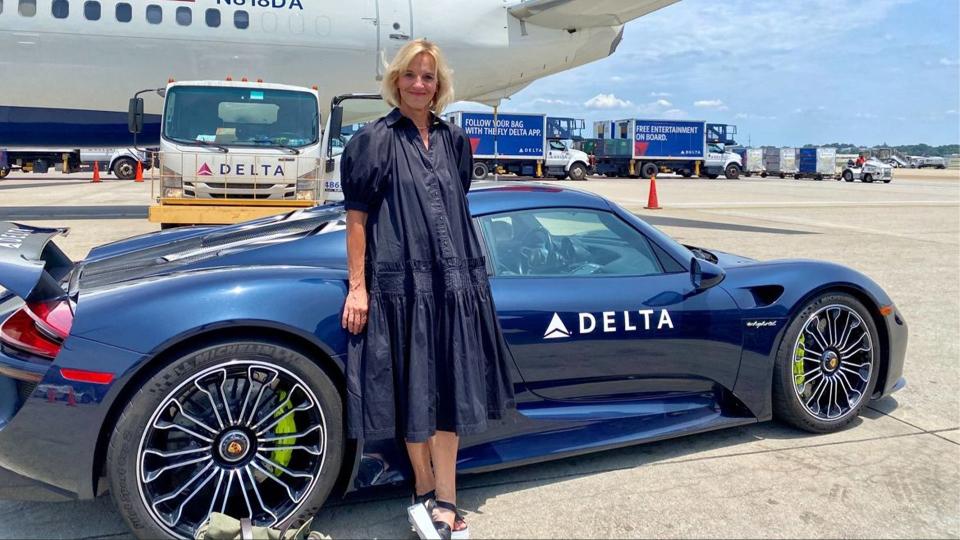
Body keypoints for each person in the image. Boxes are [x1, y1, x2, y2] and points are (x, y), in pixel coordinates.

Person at [339, 39, 515, 540]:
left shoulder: (454, 140)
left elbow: (455, 203)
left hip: (454, 283)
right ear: (396, 81)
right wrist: (358, 287)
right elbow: (357, 219)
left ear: (440, 86)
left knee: (450, 389)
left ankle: (447, 495)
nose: (421, 84)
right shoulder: (373, 140)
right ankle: (422, 483)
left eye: (429, 77)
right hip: (400, 284)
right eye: (412, 75)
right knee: (414, 391)